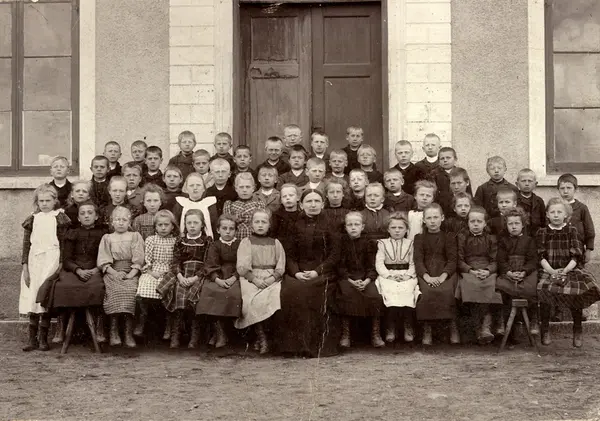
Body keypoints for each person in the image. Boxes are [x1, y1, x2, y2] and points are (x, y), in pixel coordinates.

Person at [275, 189, 341, 357]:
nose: (313, 205)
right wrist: (296, 272)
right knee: (291, 290)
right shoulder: (294, 224)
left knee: (313, 291)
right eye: (309, 202)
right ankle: (293, 347)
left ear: (323, 204)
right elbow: (288, 253)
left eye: (316, 201)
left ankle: (317, 347)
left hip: (323, 272)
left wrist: (317, 271)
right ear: (301, 204)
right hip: (297, 271)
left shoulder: (331, 223)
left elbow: (335, 254)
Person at [536, 197, 600, 348]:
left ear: (566, 214)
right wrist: (552, 271)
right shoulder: (542, 232)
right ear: (547, 215)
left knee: (576, 293)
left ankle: (577, 330)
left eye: (559, 212)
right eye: (553, 212)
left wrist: (564, 271)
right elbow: (540, 256)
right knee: (543, 289)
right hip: (549, 270)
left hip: (569, 269)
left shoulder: (572, 231)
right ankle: (545, 329)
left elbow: (576, 256)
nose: (556, 215)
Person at [41, 201, 107, 344]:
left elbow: (106, 255)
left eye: (90, 213)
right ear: (78, 218)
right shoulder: (72, 233)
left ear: (96, 216)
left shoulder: (103, 233)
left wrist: (97, 269)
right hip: (74, 270)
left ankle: (99, 326)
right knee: (62, 286)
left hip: (95, 269)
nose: (86, 216)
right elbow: (66, 259)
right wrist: (78, 270)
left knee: (99, 287)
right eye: (82, 214)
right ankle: (61, 326)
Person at [20, 184, 71, 352]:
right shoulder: (33, 219)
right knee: (32, 295)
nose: (44, 204)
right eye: (41, 201)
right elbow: (26, 244)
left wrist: (61, 263)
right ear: (37, 202)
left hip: (51, 260)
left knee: (45, 295)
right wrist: (25, 266)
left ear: (55, 201)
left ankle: (43, 337)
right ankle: (31, 338)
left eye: (48, 200)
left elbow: (63, 244)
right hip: (34, 261)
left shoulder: (59, 217)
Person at [156, 209, 213, 348]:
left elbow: (208, 263)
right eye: (189, 223)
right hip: (182, 273)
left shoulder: (207, 241)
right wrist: (180, 276)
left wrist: (195, 278)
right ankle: (175, 335)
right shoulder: (181, 241)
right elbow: (175, 261)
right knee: (178, 294)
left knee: (194, 298)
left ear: (202, 225)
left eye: (195, 223)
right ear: (185, 225)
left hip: (198, 275)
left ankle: (194, 337)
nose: (192, 226)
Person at [234, 209, 285, 354]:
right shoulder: (246, 242)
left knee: (273, 299)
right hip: (251, 278)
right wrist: (254, 279)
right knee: (252, 301)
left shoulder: (275, 243)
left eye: (264, 222)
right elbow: (242, 267)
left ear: (269, 225)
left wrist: (271, 278)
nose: (260, 225)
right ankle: (261, 338)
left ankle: (263, 338)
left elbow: (281, 265)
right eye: (257, 222)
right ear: (251, 226)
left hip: (271, 278)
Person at [97, 206, 145, 348]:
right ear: (112, 222)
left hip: (131, 271)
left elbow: (139, 258)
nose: (120, 222)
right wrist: (114, 273)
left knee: (130, 292)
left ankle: (128, 333)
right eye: (117, 219)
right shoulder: (107, 238)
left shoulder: (135, 236)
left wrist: (131, 274)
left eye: (124, 219)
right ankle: (113, 332)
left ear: (129, 221)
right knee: (114, 292)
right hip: (113, 271)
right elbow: (104, 259)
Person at [336, 212, 384, 348]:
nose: (353, 227)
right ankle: (346, 335)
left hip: (366, 278)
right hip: (347, 278)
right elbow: (340, 267)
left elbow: (372, 265)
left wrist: (367, 280)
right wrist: (351, 281)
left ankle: (375, 334)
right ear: (345, 227)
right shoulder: (341, 243)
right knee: (346, 294)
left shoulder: (369, 243)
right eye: (349, 225)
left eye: (356, 224)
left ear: (362, 227)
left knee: (375, 295)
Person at [455, 206, 502, 344]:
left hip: (487, 271)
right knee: (471, 286)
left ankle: (486, 327)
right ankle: (478, 329)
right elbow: (459, 259)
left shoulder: (491, 239)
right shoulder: (462, 238)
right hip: (469, 271)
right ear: (468, 223)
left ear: (485, 223)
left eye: (479, 221)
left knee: (491, 286)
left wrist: (488, 270)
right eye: (472, 221)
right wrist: (470, 270)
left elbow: (495, 260)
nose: (476, 224)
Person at [414, 203, 460, 345]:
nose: (432, 221)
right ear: (423, 220)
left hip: (445, 272)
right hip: (426, 272)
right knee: (426, 292)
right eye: (429, 218)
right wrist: (427, 276)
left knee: (447, 291)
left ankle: (453, 326)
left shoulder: (449, 237)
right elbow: (418, 260)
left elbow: (452, 260)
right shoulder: (419, 238)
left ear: (442, 218)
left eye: (435, 217)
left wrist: (442, 276)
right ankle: (427, 328)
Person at [196, 214, 242, 349]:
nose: (228, 231)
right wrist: (217, 279)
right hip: (217, 275)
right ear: (218, 230)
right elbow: (210, 264)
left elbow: (243, 263)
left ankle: (225, 333)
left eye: (231, 229)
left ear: (236, 231)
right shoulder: (215, 245)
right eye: (224, 228)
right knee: (210, 291)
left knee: (234, 294)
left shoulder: (241, 244)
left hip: (235, 276)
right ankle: (219, 332)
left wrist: (234, 277)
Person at [375, 212, 420, 343]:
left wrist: (408, 276)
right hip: (388, 275)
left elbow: (413, 263)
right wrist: (388, 275)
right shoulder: (382, 243)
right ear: (388, 229)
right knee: (390, 291)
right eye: (393, 228)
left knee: (407, 290)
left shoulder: (411, 244)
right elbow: (379, 263)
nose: (397, 230)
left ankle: (408, 326)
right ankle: (390, 327)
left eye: (400, 228)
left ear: (406, 229)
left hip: (406, 274)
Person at [495, 208, 539, 339]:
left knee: (531, 289)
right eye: (510, 224)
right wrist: (508, 272)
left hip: (525, 272)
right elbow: (501, 260)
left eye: (517, 223)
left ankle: (534, 321)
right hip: (509, 272)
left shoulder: (529, 241)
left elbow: (533, 260)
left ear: (523, 224)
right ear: (506, 225)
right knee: (501, 288)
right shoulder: (503, 241)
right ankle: (504, 323)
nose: (513, 227)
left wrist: (524, 272)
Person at [134, 210, 178, 338]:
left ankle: (168, 326)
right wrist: (152, 272)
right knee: (144, 286)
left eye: (166, 225)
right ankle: (142, 321)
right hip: (152, 271)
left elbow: (176, 262)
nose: (163, 228)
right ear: (155, 227)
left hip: (169, 272)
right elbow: (147, 260)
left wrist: (167, 272)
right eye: (160, 225)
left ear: (172, 226)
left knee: (169, 289)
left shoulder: (176, 241)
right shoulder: (150, 240)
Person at [557, 173, 594, 264]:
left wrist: (588, 250)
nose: (565, 191)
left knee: (577, 272)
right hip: (559, 247)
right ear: (558, 190)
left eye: (569, 188)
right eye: (562, 188)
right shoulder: (555, 207)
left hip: (578, 248)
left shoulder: (581, 208)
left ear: (575, 189)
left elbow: (589, 230)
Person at [172, 173, 217, 239]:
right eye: (191, 185)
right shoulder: (181, 203)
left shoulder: (209, 203)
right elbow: (176, 224)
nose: (195, 188)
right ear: (186, 189)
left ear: (204, 188)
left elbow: (214, 224)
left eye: (198, 185)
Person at [223, 172, 266, 239]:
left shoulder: (259, 204)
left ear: (253, 188)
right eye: (241, 187)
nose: (244, 190)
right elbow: (228, 224)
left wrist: (237, 218)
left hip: (253, 240)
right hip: (235, 240)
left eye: (248, 187)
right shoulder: (230, 205)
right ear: (236, 189)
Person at [516, 168, 546, 235]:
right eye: (523, 181)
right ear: (517, 184)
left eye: (530, 181)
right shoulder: (514, 200)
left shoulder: (539, 201)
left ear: (535, 184)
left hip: (536, 235)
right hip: (520, 235)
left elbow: (543, 220)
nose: (527, 184)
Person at [432, 147, 461, 216]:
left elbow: (468, 192)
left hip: (458, 208)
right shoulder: (434, 174)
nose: (445, 160)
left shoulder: (460, 173)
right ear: (438, 161)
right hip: (441, 208)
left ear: (455, 159)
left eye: (448, 158)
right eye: (442, 158)